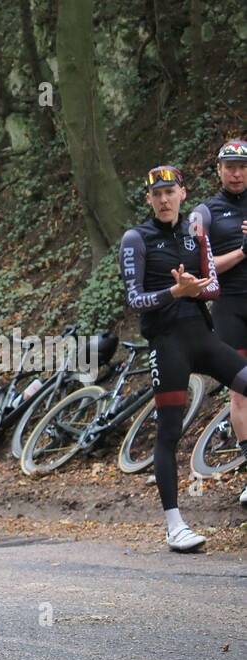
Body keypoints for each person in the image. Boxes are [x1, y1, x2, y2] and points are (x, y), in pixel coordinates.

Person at [119, 163, 247, 552]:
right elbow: (134, 299)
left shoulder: (196, 234)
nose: (163, 200)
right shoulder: (135, 239)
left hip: (202, 336)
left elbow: (212, 287)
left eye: (169, 192)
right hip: (167, 342)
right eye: (156, 194)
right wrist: (172, 294)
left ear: (183, 195)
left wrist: (195, 289)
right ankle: (175, 525)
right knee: (170, 433)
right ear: (149, 199)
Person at [191, 139, 247, 505]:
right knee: (240, 393)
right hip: (229, 308)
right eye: (230, 167)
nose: (237, 173)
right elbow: (203, 268)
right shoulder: (207, 211)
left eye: (242, 167)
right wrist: (243, 251)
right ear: (219, 170)